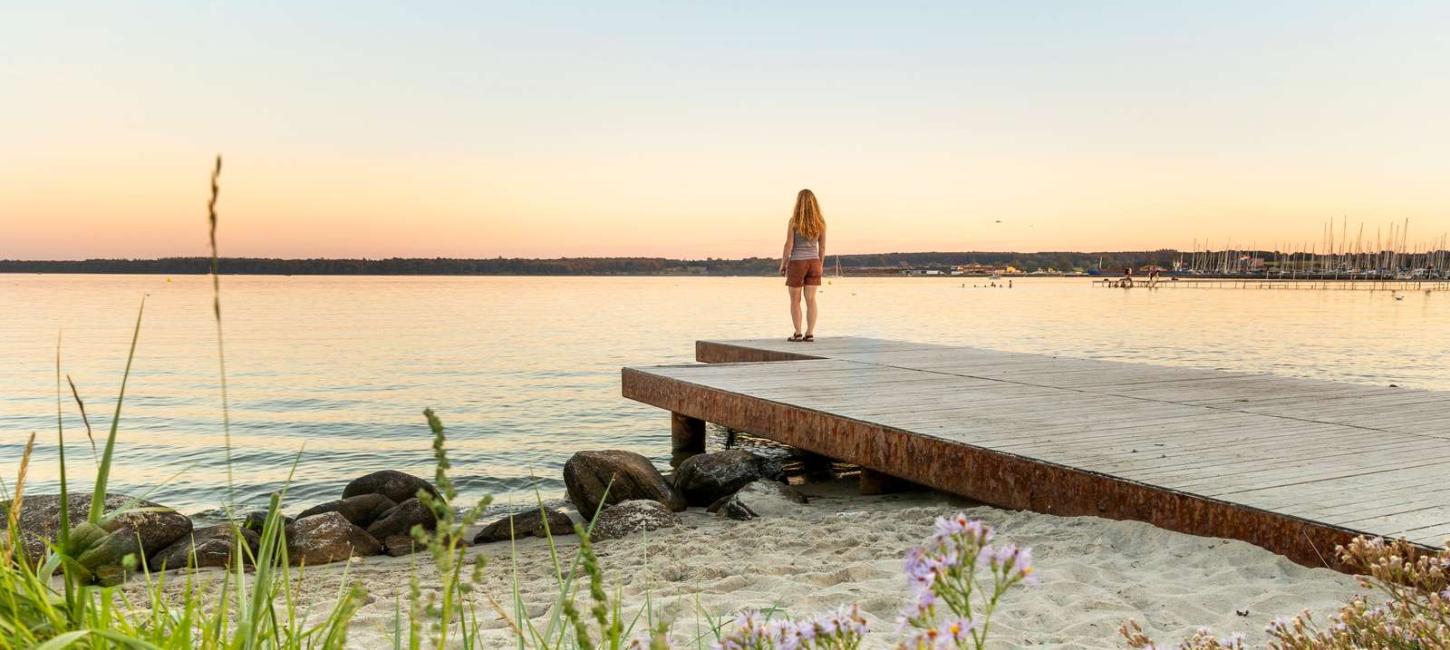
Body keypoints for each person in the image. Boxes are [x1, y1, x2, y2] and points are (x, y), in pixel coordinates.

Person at [779, 189, 827, 342]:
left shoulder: (794, 221)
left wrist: (783, 263)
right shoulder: (820, 222)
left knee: (795, 300)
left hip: (797, 263)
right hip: (814, 263)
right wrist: (820, 264)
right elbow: (823, 247)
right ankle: (810, 333)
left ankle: (798, 332)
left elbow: (789, 244)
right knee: (811, 299)